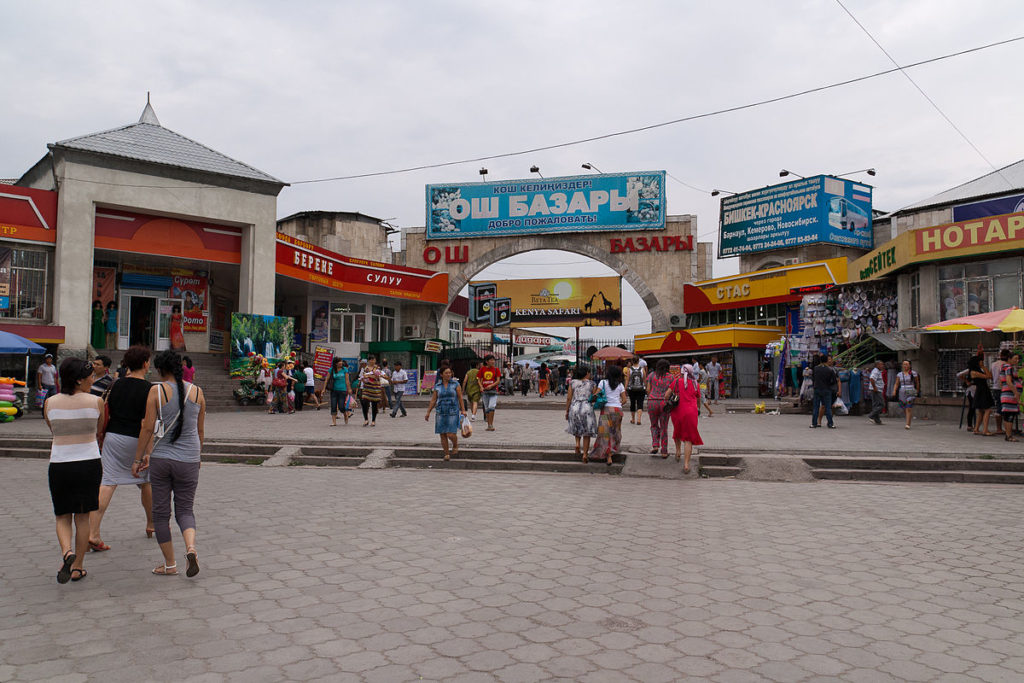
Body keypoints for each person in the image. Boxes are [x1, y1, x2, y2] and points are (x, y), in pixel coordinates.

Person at [133, 349, 206, 577]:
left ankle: (170, 564)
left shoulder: (156, 390)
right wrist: (198, 456)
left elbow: (147, 427)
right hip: (189, 459)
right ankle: (191, 548)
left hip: (162, 459)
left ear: (160, 369)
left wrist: (138, 458)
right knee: (185, 510)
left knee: (161, 513)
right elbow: (200, 430)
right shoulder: (198, 392)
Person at [89, 345, 154, 551]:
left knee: (107, 482)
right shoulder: (150, 389)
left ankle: (93, 533)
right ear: (145, 364)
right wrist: (147, 452)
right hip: (136, 439)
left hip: (113, 437)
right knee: (146, 481)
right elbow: (148, 424)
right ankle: (151, 523)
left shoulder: (115, 384)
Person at [44, 358, 103, 583]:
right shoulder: (96, 402)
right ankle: (77, 566)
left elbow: (53, 430)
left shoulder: (49, 403)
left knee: (62, 515)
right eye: (90, 376)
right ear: (79, 379)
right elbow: (99, 429)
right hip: (88, 463)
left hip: (60, 464)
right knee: (83, 516)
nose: (92, 379)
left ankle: (67, 552)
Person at [665, 364, 703, 473]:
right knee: (688, 438)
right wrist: (698, 408)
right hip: (691, 412)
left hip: (677, 412)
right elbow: (698, 398)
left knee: (677, 431)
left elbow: (666, 396)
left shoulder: (676, 382)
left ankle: (677, 451)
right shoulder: (696, 384)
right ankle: (686, 464)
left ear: (681, 372)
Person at [424, 365, 467, 460]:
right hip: (440, 411)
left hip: (453, 411)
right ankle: (446, 453)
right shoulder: (437, 386)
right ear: (441, 375)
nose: (448, 375)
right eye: (446, 373)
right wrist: (428, 412)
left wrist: (463, 410)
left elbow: (460, 398)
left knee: (450, 433)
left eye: (449, 373)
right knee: (442, 433)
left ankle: (455, 444)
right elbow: (433, 400)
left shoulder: (456, 384)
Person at [590, 364, 627, 466]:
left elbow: (596, 395)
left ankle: (607, 455)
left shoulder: (602, 382)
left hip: (606, 410)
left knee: (605, 433)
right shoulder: (620, 385)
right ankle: (612, 451)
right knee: (615, 432)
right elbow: (624, 400)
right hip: (617, 411)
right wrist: (618, 404)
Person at [564, 366, 598, 460]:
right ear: (586, 373)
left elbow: (569, 398)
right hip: (587, 408)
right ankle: (585, 454)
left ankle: (578, 444)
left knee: (577, 427)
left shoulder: (572, 382)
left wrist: (567, 411)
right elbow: (594, 398)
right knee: (586, 432)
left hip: (574, 407)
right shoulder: (592, 384)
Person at [645, 359, 673, 456]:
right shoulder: (670, 377)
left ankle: (655, 445)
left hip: (652, 402)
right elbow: (671, 392)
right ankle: (664, 451)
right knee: (664, 427)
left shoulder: (651, 375)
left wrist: (652, 396)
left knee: (653, 425)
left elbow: (648, 389)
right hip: (664, 403)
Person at [968, 352, 995, 435]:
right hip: (981, 390)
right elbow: (989, 376)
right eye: (980, 361)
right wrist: (983, 367)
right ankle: (985, 430)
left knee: (981, 411)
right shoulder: (973, 372)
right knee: (987, 409)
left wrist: (983, 367)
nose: (982, 362)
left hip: (983, 389)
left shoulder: (978, 370)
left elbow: (990, 375)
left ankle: (976, 428)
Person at [893, 359, 921, 430]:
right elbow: (896, 383)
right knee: (904, 407)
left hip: (911, 390)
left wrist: (917, 391)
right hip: (902, 391)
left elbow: (917, 383)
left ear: (910, 365)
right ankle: (908, 418)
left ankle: (908, 424)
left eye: (907, 364)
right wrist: (894, 390)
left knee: (909, 407)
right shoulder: (899, 374)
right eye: (904, 364)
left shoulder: (913, 373)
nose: (905, 366)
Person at [810, 355, 837, 429]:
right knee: (828, 407)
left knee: (816, 407)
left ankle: (814, 423)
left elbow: (813, 378)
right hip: (827, 389)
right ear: (826, 361)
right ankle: (830, 423)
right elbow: (834, 381)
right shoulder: (830, 370)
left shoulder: (815, 368)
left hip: (817, 389)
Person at [999, 353, 1021, 442]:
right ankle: (1009, 436)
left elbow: (1001, 382)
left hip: (1006, 393)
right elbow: (1008, 381)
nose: (1017, 360)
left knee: (1007, 415)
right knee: (1010, 415)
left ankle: (1008, 435)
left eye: (1018, 359)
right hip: (1009, 395)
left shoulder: (1003, 367)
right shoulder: (1009, 368)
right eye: (1015, 358)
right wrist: (1016, 393)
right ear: (1009, 358)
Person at [359, 355, 384, 426]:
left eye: (373, 360)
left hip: (375, 388)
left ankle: (373, 420)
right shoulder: (365, 369)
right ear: (368, 361)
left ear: (375, 360)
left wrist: (370, 376)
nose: (372, 361)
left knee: (374, 404)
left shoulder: (377, 368)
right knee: (364, 403)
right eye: (370, 360)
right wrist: (364, 379)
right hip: (366, 388)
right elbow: (362, 377)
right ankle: (366, 419)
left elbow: (379, 376)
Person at [478, 354, 501, 431]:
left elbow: (498, 381)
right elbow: (479, 379)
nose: (493, 361)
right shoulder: (482, 369)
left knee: (492, 407)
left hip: (493, 391)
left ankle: (491, 424)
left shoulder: (496, 369)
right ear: (486, 361)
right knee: (487, 408)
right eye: (491, 360)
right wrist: (481, 387)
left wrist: (491, 385)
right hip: (485, 391)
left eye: (493, 360)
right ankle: (489, 425)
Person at [990, 350, 1008, 434]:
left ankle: (999, 428)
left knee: (998, 406)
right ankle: (1002, 428)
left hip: (995, 387)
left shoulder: (993, 364)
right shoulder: (1006, 365)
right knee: (1004, 408)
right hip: (1004, 388)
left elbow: (991, 375)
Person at [329, 358, 351, 426]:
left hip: (343, 390)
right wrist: (323, 389)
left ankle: (345, 414)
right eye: (339, 362)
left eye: (341, 361)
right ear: (336, 363)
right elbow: (327, 379)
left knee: (341, 406)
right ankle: (334, 422)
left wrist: (349, 389)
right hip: (334, 390)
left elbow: (347, 380)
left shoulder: (345, 369)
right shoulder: (332, 369)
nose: (341, 363)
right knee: (333, 406)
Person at [626, 356, 647, 426]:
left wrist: (625, 388)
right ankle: (639, 419)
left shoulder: (629, 370)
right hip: (641, 389)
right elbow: (644, 379)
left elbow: (627, 380)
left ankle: (633, 419)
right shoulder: (642, 369)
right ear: (638, 361)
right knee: (640, 403)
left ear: (632, 361)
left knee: (632, 403)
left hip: (632, 389)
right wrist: (646, 387)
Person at [867, 359, 886, 425]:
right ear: (877, 365)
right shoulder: (876, 371)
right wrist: (875, 387)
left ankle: (877, 420)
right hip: (876, 390)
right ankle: (871, 415)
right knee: (882, 404)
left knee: (876, 405)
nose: (882, 366)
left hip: (877, 389)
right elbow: (872, 379)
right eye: (881, 364)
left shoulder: (878, 371)